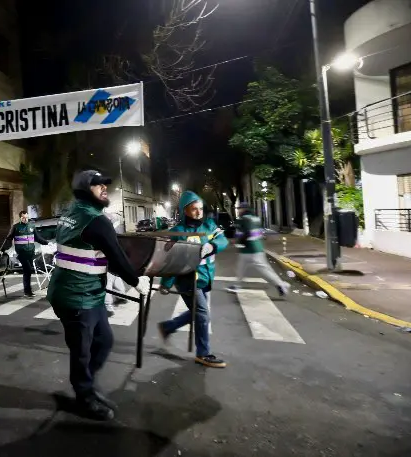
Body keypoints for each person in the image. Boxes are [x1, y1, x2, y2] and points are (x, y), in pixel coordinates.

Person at [48, 170, 151, 421]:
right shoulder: (96, 220)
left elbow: (93, 250)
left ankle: (86, 385)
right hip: (78, 296)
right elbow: (116, 256)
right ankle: (84, 397)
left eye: (105, 184)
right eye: (97, 184)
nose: (104, 187)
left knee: (103, 341)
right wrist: (137, 281)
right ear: (84, 190)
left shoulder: (71, 213)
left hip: (80, 292)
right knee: (82, 351)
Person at [157, 190, 229, 369]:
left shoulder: (209, 226)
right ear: (185, 210)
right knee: (203, 314)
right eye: (194, 209)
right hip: (187, 279)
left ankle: (168, 327)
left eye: (200, 208)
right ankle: (203, 354)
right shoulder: (177, 232)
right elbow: (171, 260)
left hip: (205, 277)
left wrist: (212, 246)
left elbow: (223, 240)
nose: (199, 212)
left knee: (198, 312)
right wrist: (166, 283)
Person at [227, 202, 289, 296]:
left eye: (239, 209)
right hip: (257, 247)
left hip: (249, 249)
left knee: (262, 269)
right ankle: (237, 285)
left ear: (243, 209)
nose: (238, 211)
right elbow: (260, 233)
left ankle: (281, 285)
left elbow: (246, 233)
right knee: (242, 267)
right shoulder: (256, 218)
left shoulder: (243, 219)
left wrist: (238, 242)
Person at [0, 210, 49, 297]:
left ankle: (27, 291)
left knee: (28, 271)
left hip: (30, 252)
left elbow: (37, 238)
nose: (25, 219)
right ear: (20, 218)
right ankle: (27, 292)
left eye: (26, 217)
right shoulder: (16, 227)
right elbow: (9, 239)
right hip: (21, 253)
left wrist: (47, 243)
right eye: (23, 218)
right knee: (28, 270)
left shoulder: (31, 226)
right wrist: (2, 249)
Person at [103, 210, 127, 316]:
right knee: (114, 276)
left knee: (106, 281)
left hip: (107, 257)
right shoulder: (111, 220)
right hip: (114, 256)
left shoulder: (101, 222)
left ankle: (108, 307)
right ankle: (121, 296)